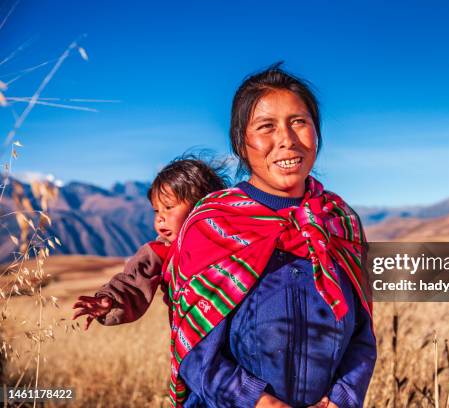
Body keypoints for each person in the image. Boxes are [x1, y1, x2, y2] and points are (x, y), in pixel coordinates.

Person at [167, 64, 377, 408]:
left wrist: (341, 399)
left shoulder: (339, 222)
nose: (287, 140)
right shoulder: (213, 224)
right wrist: (258, 401)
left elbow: (362, 338)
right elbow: (194, 348)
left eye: (299, 122)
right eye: (266, 126)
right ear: (241, 142)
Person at [72, 157, 226, 329]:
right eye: (156, 210)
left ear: (202, 205)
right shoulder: (161, 250)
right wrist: (110, 300)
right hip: (193, 337)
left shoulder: (233, 238)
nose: (160, 217)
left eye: (168, 207)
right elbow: (133, 281)